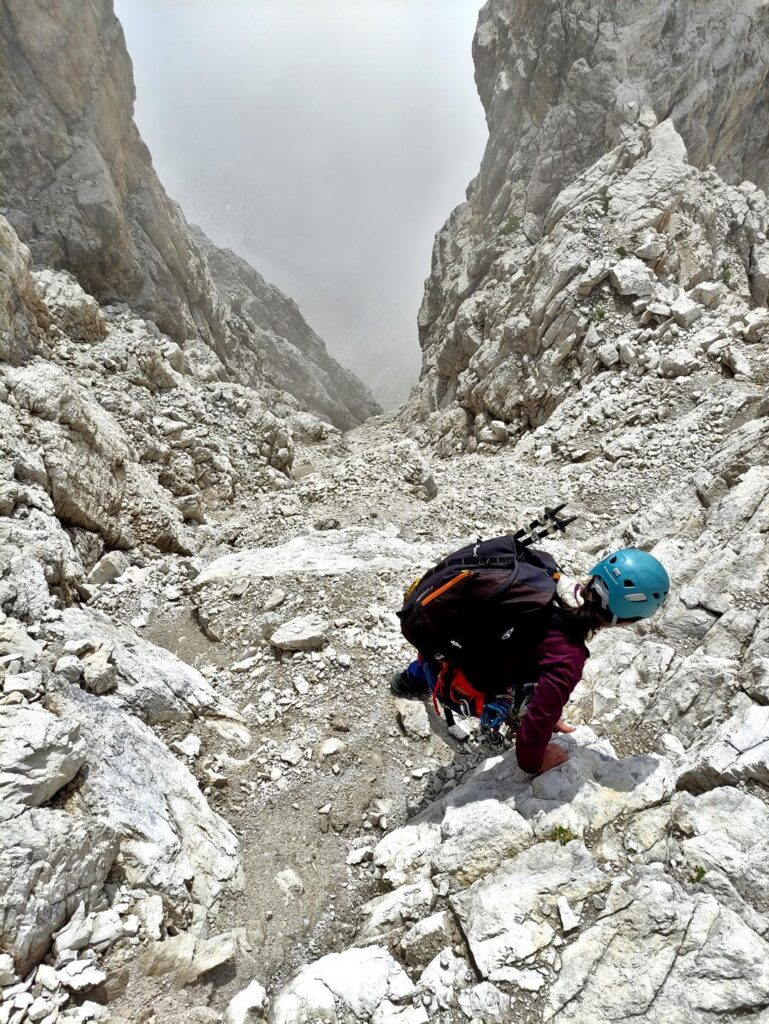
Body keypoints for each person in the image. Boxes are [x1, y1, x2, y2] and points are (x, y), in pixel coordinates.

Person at [391, 547, 670, 775]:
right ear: (627, 620)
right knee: (488, 685)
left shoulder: (544, 580)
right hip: (463, 670)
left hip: (445, 639)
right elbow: (534, 732)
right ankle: (485, 712)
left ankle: (407, 680)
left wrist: (548, 711)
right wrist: (535, 761)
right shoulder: (567, 658)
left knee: (439, 662)